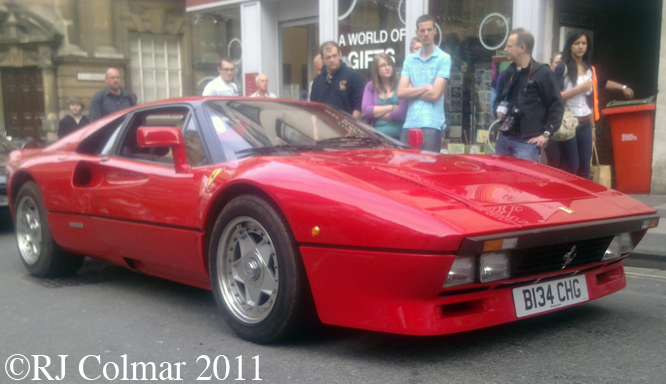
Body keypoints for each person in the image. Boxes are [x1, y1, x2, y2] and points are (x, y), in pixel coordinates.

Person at [492, 28, 564, 162]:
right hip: (504, 138)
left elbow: (557, 106)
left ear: (522, 48)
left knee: (523, 182)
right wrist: (498, 111)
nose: (505, 49)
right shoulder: (508, 74)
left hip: (527, 143)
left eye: (509, 46)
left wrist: (546, 134)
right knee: (500, 180)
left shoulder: (543, 73)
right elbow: (497, 101)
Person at [397, 15, 450, 152]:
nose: (426, 34)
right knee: (408, 168)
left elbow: (434, 95)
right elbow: (401, 93)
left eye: (429, 30)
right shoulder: (409, 60)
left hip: (432, 123)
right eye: (422, 30)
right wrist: (425, 88)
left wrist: (412, 90)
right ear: (417, 33)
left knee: (428, 169)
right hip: (410, 122)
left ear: (434, 31)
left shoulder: (444, 58)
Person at [310, 41, 364, 119]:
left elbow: (358, 106)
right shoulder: (318, 81)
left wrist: (351, 129)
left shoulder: (352, 75)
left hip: (347, 127)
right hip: (324, 127)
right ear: (322, 59)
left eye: (334, 56)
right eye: (328, 57)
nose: (332, 60)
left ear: (339, 55)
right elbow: (313, 108)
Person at [361, 53, 407, 139]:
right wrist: (391, 107)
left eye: (389, 64)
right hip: (377, 137)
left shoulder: (401, 83)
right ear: (376, 69)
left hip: (399, 137)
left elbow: (401, 114)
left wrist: (375, 113)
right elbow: (366, 111)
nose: (387, 68)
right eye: (383, 65)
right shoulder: (371, 86)